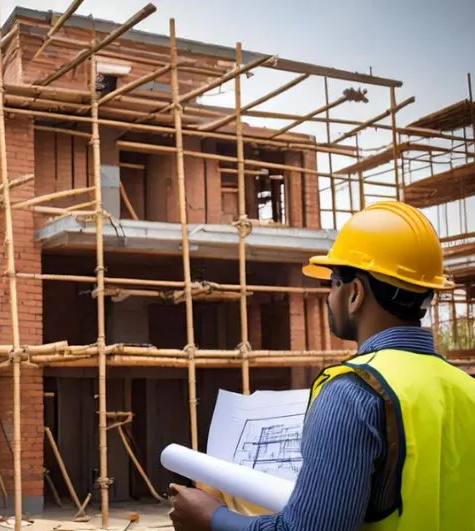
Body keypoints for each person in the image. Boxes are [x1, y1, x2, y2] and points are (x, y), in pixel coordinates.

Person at [168, 201, 475, 531]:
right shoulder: (467, 389)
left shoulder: (353, 393)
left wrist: (211, 517)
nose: (329, 297)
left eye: (332, 284)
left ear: (354, 293)